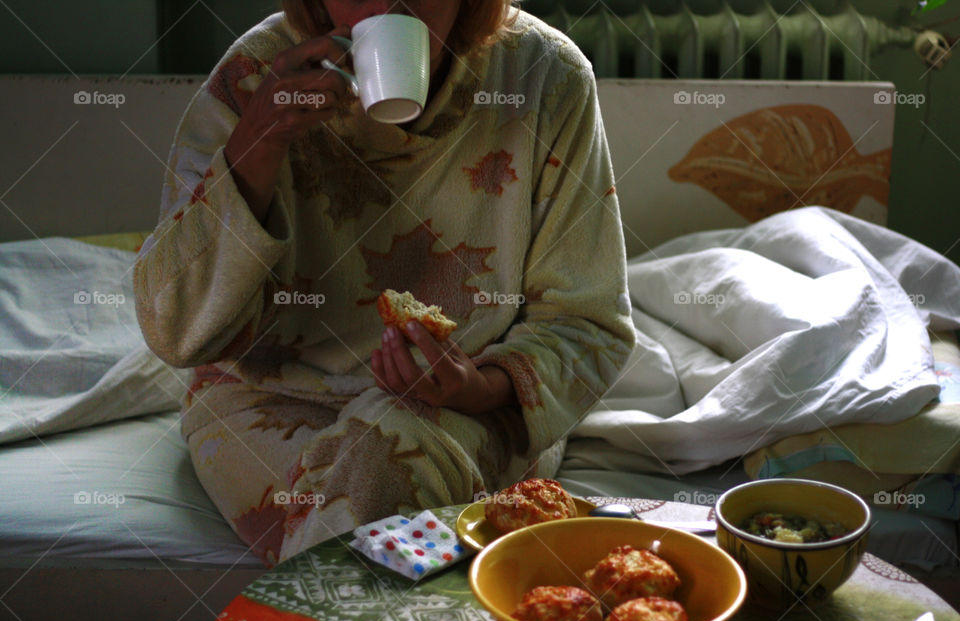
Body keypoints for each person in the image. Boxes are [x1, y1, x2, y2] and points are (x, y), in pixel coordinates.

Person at [133, 0, 636, 566]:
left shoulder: (544, 75)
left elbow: (586, 319)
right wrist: (256, 143)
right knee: (374, 478)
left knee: (388, 452)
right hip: (268, 394)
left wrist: (478, 386)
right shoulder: (257, 75)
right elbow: (173, 330)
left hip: (474, 409)